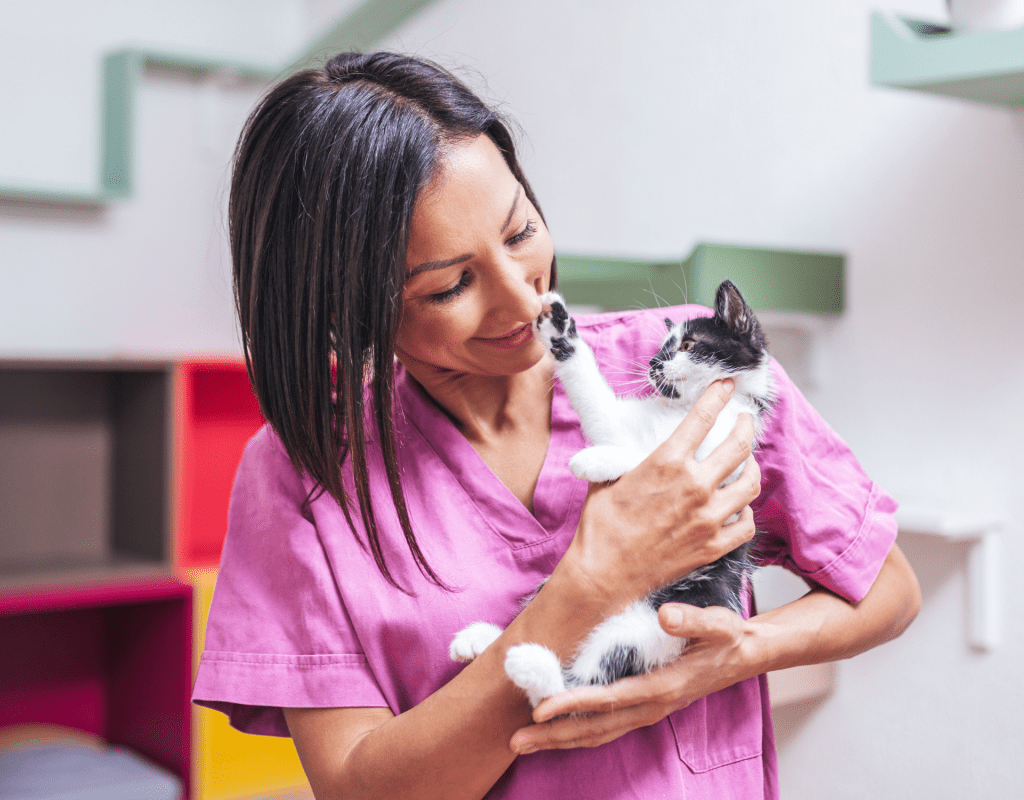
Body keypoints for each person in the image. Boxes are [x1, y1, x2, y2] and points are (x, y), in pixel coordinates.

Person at [192, 51, 921, 800]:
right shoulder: (305, 471)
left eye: (521, 233)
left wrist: (729, 656)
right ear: (345, 310)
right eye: (451, 286)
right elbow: (359, 789)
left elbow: (888, 588)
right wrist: (590, 587)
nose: (521, 302)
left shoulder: (687, 367)